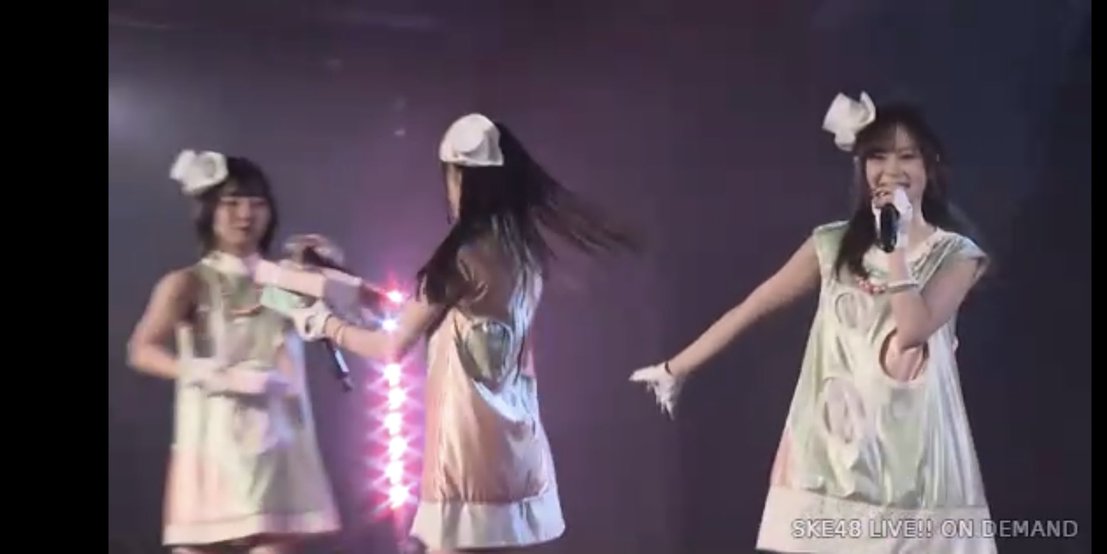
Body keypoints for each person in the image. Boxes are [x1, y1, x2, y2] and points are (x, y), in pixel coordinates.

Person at [631, 93, 996, 554]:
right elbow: (754, 305)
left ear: (930, 165)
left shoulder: (957, 255)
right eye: (878, 156)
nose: (891, 169)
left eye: (907, 156)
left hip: (918, 459)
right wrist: (676, 368)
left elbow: (912, 331)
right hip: (832, 456)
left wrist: (896, 245)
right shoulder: (832, 245)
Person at [281, 113, 638, 554]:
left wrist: (322, 322)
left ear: (459, 177)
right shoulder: (525, 255)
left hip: (463, 455)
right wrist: (355, 294)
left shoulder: (461, 258)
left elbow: (391, 346)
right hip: (516, 449)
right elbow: (437, 316)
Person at [126, 150, 341, 554]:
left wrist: (331, 275)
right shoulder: (188, 282)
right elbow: (142, 349)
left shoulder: (283, 281)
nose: (246, 214)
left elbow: (343, 322)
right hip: (212, 455)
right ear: (208, 210)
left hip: (279, 452)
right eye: (232, 202)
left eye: (258, 203)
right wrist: (211, 373)